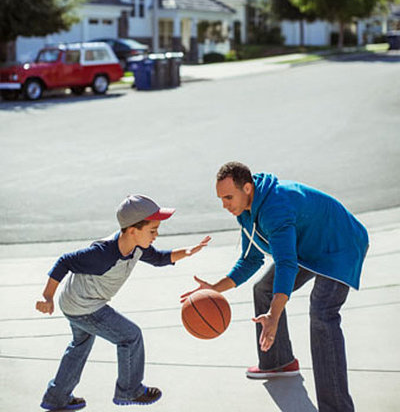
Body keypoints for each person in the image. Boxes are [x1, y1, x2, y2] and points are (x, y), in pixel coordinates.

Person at [182, 161, 369, 412]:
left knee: (323, 314)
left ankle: (337, 408)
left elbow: (286, 264)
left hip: (340, 244)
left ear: (247, 188)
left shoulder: (274, 208)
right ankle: (278, 361)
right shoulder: (247, 211)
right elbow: (251, 259)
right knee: (263, 289)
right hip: (310, 246)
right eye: (221, 199)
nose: (224, 204)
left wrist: (274, 314)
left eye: (228, 197)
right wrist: (215, 288)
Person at [36, 194, 210, 410]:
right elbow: (65, 261)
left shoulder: (136, 247)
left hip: (76, 302)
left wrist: (188, 252)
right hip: (84, 306)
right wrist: (47, 296)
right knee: (130, 335)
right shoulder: (103, 253)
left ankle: (56, 397)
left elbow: (159, 258)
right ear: (132, 230)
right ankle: (130, 390)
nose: (156, 235)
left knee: (80, 346)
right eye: (152, 230)